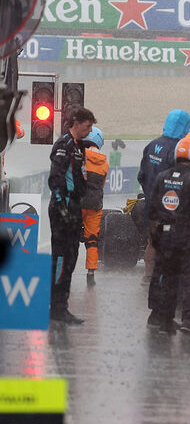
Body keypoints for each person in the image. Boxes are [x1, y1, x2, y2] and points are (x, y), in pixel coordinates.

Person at [146, 135, 190, 334]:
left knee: (167, 276)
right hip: (187, 236)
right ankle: (188, 320)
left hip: (164, 234)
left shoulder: (161, 176)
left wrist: (154, 237)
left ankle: (163, 320)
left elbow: (152, 210)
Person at [48, 107, 96, 324]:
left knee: (72, 258)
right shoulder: (64, 145)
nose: (90, 130)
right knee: (61, 258)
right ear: (76, 123)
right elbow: (56, 179)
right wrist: (62, 209)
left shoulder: (78, 145)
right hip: (63, 208)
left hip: (74, 207)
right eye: (87, 126)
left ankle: (62, 306)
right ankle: (55, 308)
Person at [138, 109, 190, 279]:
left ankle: (147, 277)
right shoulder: (177, 150)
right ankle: (163, 279)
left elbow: (141, 175)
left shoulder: (152, 145)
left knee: (152, 240)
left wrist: (149, 192)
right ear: (183, 128)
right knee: (169, 243)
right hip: (170, 206)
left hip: (150, 204)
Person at [81, 126, 109, 288]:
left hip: (77, 202)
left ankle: (66, 268)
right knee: (92, 239)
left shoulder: (78, 157)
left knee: (69, 237)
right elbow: (102, 185)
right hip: (95, 204)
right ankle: (91, 271)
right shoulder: (104, 162)